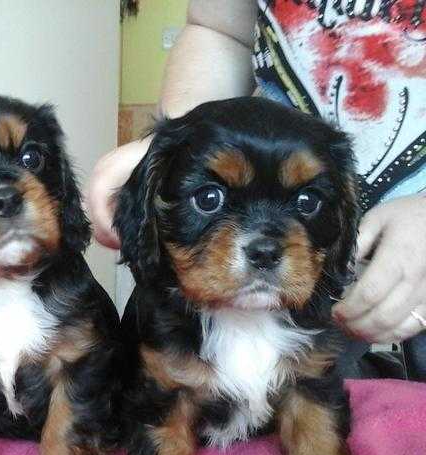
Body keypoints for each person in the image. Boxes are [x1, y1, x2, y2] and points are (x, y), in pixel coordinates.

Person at [86, 0, 426, 379]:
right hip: (308, 265)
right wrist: (176, 150)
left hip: (335, 243)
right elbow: (220, 31)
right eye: (208, 198)